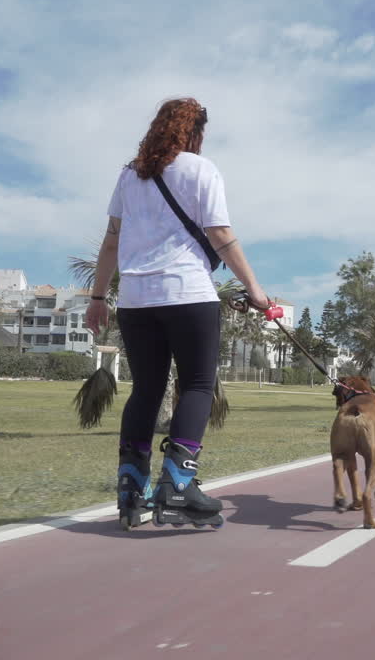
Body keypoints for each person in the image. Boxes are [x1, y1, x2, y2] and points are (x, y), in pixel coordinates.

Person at [85, 96, 270, 529]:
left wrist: (97, 298)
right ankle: (179, 485)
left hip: (135, 300)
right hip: (188, 293)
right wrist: (255, 291)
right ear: (196, 133)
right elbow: (220, 234)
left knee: (146, 390)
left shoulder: (130, 176)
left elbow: (112, 240)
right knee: (199, 384)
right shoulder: (201, 169)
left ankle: (131, 491)